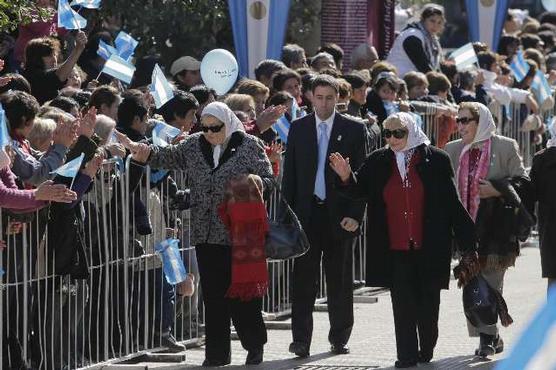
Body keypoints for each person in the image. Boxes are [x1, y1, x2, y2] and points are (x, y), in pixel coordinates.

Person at [118, 101, 274, 367]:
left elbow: (268, 181)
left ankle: (254, 344)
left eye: (216, 128)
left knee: (243, 295)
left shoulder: (249, 145)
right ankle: (216, 355)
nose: (210, 133)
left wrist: (253, 182)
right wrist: (142, 151)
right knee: (214, 297)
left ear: (228, 123)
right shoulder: (193, 145)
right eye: (205, 127)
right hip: (205, 231)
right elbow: (167, 156)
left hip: (238, 233)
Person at [329, 112, 477, 368]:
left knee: (428, 306)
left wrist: (468, 243)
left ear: (412, 130)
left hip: (429, 245)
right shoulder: (378, 160)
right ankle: (406, 356)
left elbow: (452, 204)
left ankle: (426, 346)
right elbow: (358, 189)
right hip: (394, 247)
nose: (392, 138)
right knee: (402, 303)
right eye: (388, 133)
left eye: (399, 133)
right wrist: (345, 176)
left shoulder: (436, 159)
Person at [282, 74, 367, 358]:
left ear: (338, 98)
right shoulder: (299, 128)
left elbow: (362, 180)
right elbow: (290, 176)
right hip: (307, 214)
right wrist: (288, 216)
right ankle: (300, 340)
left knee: (339, 278)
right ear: (310, 97)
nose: (324, 103)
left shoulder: (354, 130)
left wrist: (356, 215)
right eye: (319, 97)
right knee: (303, 279)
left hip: (339, 215)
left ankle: (339, 336)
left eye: (330, 97)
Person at [444, 102, 532, 358]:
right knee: (472, 282)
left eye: (465, 120)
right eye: (458, 120)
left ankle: (486, 338)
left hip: (497, 231)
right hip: (465, 230)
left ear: (480, 120)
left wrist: (497, 189)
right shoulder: (452, 149)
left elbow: (523, 181)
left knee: (490, 282)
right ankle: (491, 334)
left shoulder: (504, 146)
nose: (460, 126)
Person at [22, 31, 88, 104]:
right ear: (36, 58)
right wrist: (78, 49)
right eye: (49, 56)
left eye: (55, 55)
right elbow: (59, 76)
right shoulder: (33, 76)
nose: (54, 59)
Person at [529, 121, 556, 293]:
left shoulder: (541, 158)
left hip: (550, 227)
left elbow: (532, 194)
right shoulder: (541, 158)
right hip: (549, 225)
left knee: (553, 277)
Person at [386, 3, 445, 77]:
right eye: (432, 21)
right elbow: (425, 69)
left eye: (439, 22)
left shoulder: (431, 39)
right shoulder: (413, 36)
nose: (436, 25)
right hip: (397, 82)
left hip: (412, 82)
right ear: (423, 20)